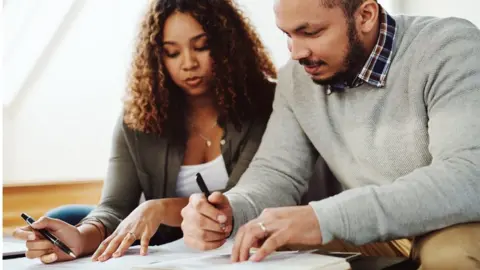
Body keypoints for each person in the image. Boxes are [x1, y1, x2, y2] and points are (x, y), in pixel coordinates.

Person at [180, 0, 480, 269]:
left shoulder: (449, 46)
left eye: (310, 32)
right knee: (264, 249)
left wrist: (323, 217)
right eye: (288, 34)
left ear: (365, 15)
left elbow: (468, 176)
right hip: (377, 230)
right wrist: (232, 210)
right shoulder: (297, 78)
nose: (296, 53)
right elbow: (277, 172)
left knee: (451, 256)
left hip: (458, 221)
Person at [12, 0, 276, 264]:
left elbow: (243, 203)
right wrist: (81, 237)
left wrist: (161, 208)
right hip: (167, 252)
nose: (188, 63)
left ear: (229, 45)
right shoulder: (139, 117)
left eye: (202, 46)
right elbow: (115, 206)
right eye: (172, 52)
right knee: (68, 216)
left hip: (242, 247)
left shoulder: (265, 106)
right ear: (157, 57)